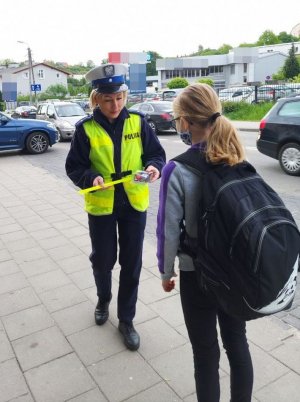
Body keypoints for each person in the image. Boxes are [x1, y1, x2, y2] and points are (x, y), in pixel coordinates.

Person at [156, 83, 253, 401]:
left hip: (197, 273)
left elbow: (168, 230)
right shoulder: (236, 156)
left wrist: (166, 272)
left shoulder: (178, 169)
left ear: (185, 122)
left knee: (205, 355)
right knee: (238, 346)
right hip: (235, 271)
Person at [66, 63, 166, 351]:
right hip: (102, 206)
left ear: (125, 95)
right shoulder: (85, 129)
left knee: (132, 263)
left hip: (134, 203)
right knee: (103, 260)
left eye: (119, 98)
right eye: (108, 99)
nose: (115, 105)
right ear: (97, 98)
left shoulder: (138, 122)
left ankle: (126, 319)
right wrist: (91, 177)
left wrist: (154, 167)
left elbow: (156, 154)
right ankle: (103, 299)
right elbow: (74, 167)